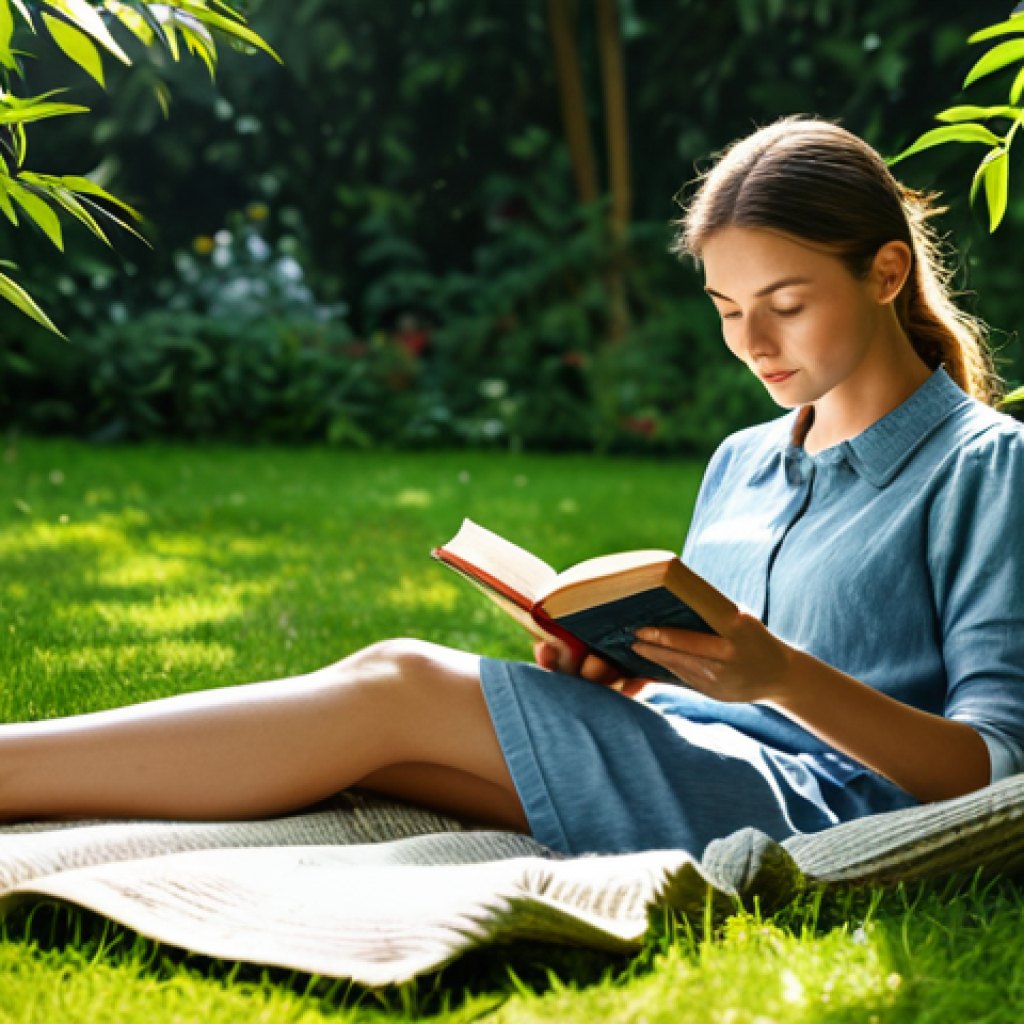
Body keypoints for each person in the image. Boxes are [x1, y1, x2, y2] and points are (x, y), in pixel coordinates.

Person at [3, 117, 1023, 858]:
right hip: (674, 749)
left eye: (786, 304)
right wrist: (623, 663)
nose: (750, 343)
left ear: (886, 272)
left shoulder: (983, 466)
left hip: (810, 802)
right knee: (359, 743)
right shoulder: (743, 459)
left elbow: (996, 775)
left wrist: (781, 677)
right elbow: (704, 675)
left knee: (396, 683)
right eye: (725, 308)